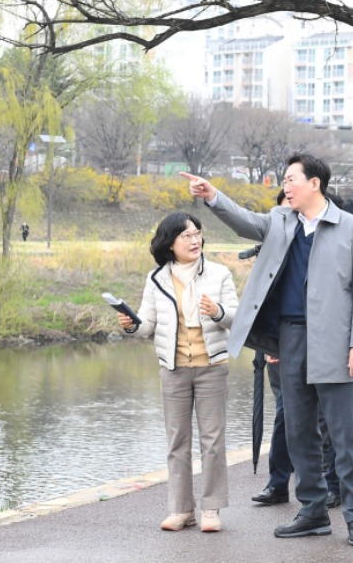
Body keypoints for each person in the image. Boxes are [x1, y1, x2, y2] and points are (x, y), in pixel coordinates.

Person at [183, 153, 353, 547]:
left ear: (314, 183)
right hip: (290, 337)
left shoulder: (351, 227)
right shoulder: (280, 221)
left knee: (343, 434)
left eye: (292, 179)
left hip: (336, 341)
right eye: (285, 180)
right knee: (299, 430)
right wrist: (213, 195)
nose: (286, 186)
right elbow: (244, 221)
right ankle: (313, 511)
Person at [117, 212, 239, 533]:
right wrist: (132, 325)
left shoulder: (219, 274)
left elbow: (237, 319)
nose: (194, 240)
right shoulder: (156, 278)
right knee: (177, 441)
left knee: (212, 441)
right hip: (173, 369)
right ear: (169, 242)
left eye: (197, 233)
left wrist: (218, 312)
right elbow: (148, 326)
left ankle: (211, 508)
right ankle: (182, 509)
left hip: (211, 367)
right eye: (186, 235)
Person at [251, 190, 343, 510]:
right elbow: (264, 298)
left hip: (323, 342)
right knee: (285, 415)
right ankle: (278, 483)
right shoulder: (276, 240)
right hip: (282, 343)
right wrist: (270, 343)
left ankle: (333, 484)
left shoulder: (330, 240)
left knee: (326, 417)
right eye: (284, 204)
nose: (287, 209)